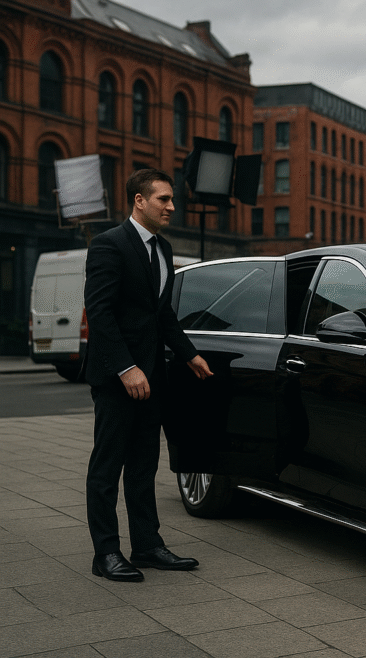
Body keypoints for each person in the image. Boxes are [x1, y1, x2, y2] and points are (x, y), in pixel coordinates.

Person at [84, 168, 213, 582]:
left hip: (153, 376)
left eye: (171, 199)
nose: (171, 206)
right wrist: (125, 367)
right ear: (139, 200)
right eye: (163, 199)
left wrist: (189, 354)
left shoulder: (163, 248)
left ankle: (147, 545)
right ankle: (105, 552)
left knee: (143, 465)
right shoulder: (109, 244)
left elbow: (161, 314)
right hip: (117, 378)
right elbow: (100, 314)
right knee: (107, 468)